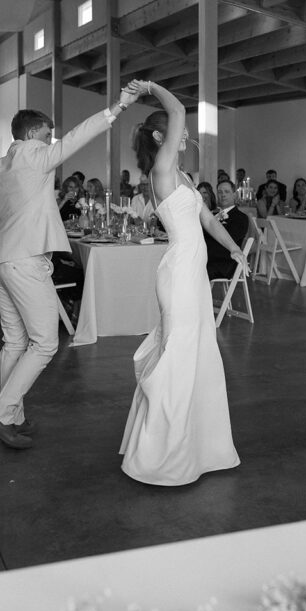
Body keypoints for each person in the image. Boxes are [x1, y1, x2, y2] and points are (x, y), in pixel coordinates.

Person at [0, 90, 138, 451]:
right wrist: (117, 107)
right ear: (32, 135)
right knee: (45, 342)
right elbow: (78, 136)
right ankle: (0, 415)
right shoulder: (35, 157)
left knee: (14, 342)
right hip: (25, 261)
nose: (52, 141)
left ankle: (12, 415)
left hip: (0, 262)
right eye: (48, 135)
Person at [119, 79, 245, 486]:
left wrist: (236, 248)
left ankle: (199, 447)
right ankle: (161, 455)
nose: (185, 135)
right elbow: (178, 112)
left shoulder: (185, 177)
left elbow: (208, 220)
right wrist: (153, 87)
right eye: (177, 134)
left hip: (193, 273)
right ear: (161, 137)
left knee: (198, 356)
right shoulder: (162, 170)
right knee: (178, 355)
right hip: (179, 274)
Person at [204, 178, 249, 280]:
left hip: (223, 263)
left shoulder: (240, 218)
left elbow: (226, 242)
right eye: (220, 192)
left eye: (227, 192)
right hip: (208, 258)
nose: (223, 195)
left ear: (234, 194)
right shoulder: (213, 215)